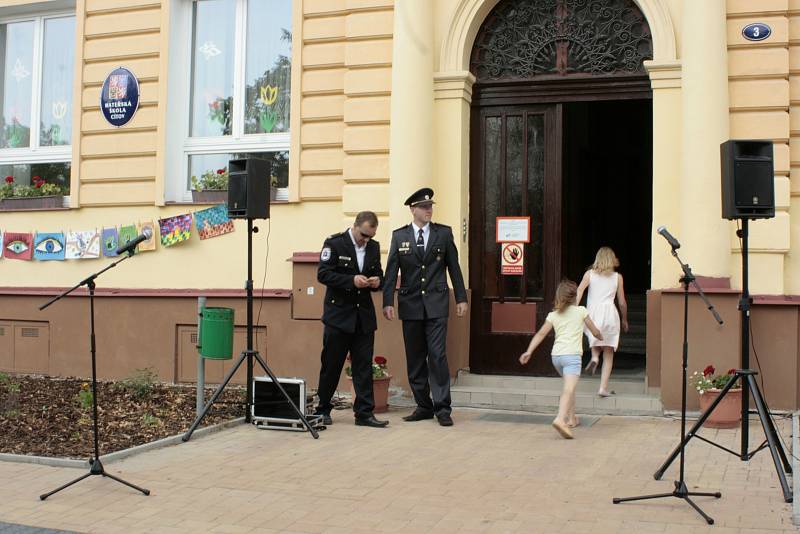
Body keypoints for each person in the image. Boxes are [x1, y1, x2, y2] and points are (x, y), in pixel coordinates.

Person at [382, 188, 468, 427]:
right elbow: (391, 272)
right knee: (415, 357)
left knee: (438, 356)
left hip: (437, 304)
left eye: (431, 206)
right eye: (424, 207)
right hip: (410, 305)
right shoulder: (400, 236)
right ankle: (423, 405)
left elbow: (454, 268)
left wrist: (461, 298)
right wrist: (387, 301)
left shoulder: (443, 233)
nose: (429, 210)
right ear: (413, 209)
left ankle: (442, 408)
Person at [314, 211, 388, 428]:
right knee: (331, 365)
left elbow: (380, 275)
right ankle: (323, 408)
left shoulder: (373, 248)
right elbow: (323, 274)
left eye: (370, 236)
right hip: (339, 316)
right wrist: (350, 280)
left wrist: (377, 282)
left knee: (363, 366)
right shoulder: (335, 243)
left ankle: (364, 413)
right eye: (363, 235)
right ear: (355, 226)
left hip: (363, 317)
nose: (366, 240)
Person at [519, 280, 603, 439]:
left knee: (569, 387)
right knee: (568, 389)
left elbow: (541, 334)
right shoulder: (581, 311)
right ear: (574, 297)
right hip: (572, 357)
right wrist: (600, 336)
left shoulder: (553, 315)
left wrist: (529, 351)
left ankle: (572, 419)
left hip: (556, 357)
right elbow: (594, 331)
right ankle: (560, 418)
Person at [575, 246, 629, 397]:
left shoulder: (589, 274)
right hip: (610, 313)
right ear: (612, 259)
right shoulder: (617, 277)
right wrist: (624, 319)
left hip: (592, 313)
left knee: (595, 336)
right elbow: (622, 302)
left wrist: (574, 308)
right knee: (609, 351)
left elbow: (579, 290)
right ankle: (602, 388)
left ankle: (593, 356)